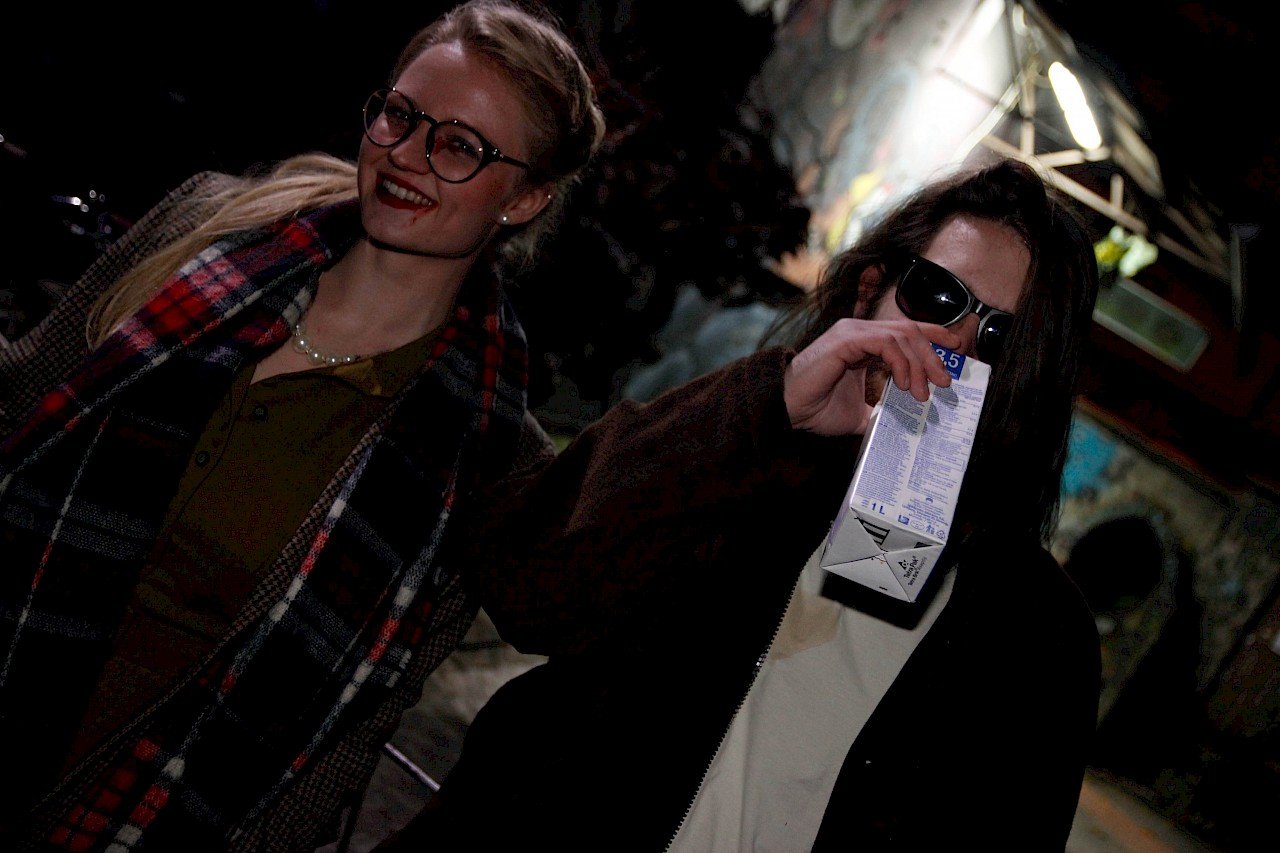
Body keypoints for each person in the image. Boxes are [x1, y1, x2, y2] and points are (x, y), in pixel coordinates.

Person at [0, 1, 605, 849]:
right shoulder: (210, 234)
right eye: (401, 115)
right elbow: (20, 395)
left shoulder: (486, 460)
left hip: (144, 812)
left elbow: (353, 731)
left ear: (527, 196)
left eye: (461, 146)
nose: (407, 155)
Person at [377, 157, 1104, 851]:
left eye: (1001, 337)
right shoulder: (741, 448)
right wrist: (767, 410)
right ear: (870, 294)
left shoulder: (1036, 633)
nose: (952, 344)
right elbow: (528, 584)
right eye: (937, 296)